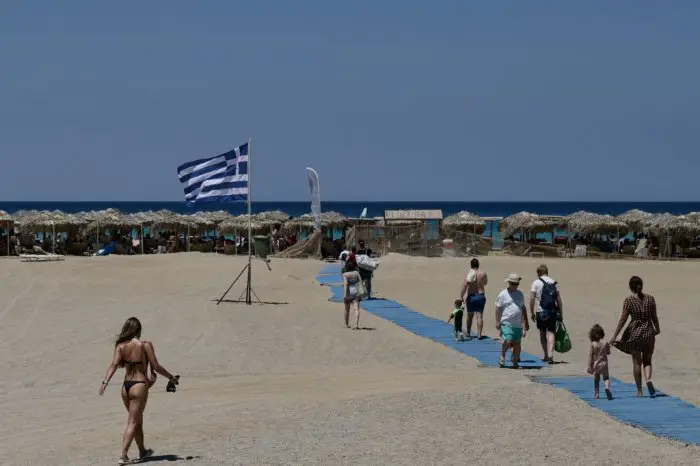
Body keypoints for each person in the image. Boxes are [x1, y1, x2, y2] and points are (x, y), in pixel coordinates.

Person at [99, 317, 179, 465]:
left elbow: (113, 365)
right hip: (139, 385)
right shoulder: (145, 345)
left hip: (126, 386)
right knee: (133, 421)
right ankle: (123, 455)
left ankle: (142, 450)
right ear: (138, 330)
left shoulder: (121, 346)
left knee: (137, 420)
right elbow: (157, 366)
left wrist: (105, 382)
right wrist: (172, 378)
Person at [610, 276, 660, 397]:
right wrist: (657, 329)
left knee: (637, 362)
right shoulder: (651, 299)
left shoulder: (629, 301)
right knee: (647, 360)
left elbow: (623, 319)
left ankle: (639, 391)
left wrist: (615, 335)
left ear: (630, 287)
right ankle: (648, 380)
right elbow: (654, 317)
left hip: (636, 334)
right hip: (649, 332)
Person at [529, 264, 563, 364]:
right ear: (547, 272)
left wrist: (531, 312)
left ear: (539, 273)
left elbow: (531, 299)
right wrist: (561, 313)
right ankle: (551, 355)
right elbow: (559, 300)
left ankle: (546, 355)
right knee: (551, 332)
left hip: (541, 311)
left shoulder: (536, 282)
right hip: (552, 311)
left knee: (542, 333)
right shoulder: (554, 282)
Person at [495, 274, 528, 368]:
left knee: (517, 343)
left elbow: (523, 308)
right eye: (513, 283)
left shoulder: (520, 294)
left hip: (518, 323)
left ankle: (515, 361)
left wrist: (525, 323)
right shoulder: (503, 294)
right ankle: (502, 356)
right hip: (507, 322)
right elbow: (497, 307)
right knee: (508, 340)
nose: (515, 285)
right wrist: (497, 321)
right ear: (509, 283)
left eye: (517, 283)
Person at [459, 258, 488, 339]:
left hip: (471, 296)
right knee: (479, 316)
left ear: (471, 265)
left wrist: (461, 296)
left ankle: (468, 332)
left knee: (470, 316)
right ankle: (479, 334)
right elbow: (485, 283)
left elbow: (465, 286)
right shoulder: (483, 273)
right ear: (478, 265)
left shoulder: (469, 274)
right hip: (481, 295)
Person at [588, 324, 612, 400]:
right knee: (606, 378)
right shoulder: (605, 343)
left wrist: (589, 366)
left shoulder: (593, 344)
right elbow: (608, 352)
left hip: (596, 364)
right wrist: (608, 348)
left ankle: (597, 393)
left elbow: (591, 356)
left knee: (596, 379)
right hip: (604, 363)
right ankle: (607, 387)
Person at [343, 259, 363, 329]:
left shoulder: (345, 274)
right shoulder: (356, 273)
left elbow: (345, 284)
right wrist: (361, 292)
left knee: (346, 309)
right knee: (356, 309)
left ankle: (347, 324)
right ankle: (356, 324)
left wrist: (345, 295)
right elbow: (360, 281)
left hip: (348, 293)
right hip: (356, 292)